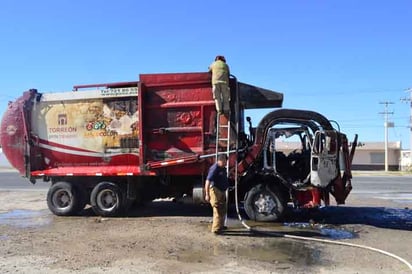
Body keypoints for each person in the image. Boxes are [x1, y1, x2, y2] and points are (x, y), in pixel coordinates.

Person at [204, 154, 229, 234]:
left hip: (222, 191)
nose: (226, 163)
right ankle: (215, 229)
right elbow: (207, 181)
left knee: (223, 209)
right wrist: (207, 194)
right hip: (215, 191)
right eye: (225, 161)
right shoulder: (214, 168)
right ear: (220, 160)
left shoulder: (222, 168)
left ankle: (220, 226)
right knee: (217, 210)